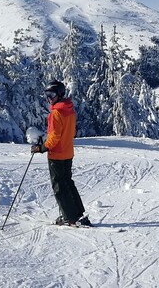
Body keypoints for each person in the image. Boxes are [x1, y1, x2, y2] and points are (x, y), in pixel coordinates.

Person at [31, 80, 92, 226]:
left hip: (57, 154)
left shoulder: (56, 112)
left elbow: (54, 136)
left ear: (59, 94)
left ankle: (69, 217)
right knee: (68, 183)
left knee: (59, 186)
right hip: (67, 152)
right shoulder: (69, 110)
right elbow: (71, 132)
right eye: (46, 95)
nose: (49, 99)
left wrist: (42, 147)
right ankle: (77, 213)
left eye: (51, 95)